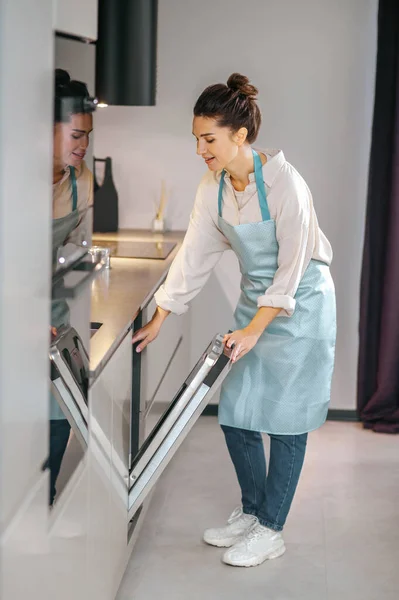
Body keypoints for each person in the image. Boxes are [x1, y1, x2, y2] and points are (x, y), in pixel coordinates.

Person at [132, 73, 336, 567]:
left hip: (301, 305)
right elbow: (194, 256)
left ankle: (272, 529)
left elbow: (290, 272)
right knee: (237, 414)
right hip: (254, 306)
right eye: (197, 139)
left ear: (239, 135)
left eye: (209, 138)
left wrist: (252, 330)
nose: (201, 149)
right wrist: (161, 314)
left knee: (286, 423)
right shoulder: (214, 188)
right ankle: (251, 511)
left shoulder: (288, 185)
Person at [47, 68, 94, 506]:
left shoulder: (79, 182)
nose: (83, 146)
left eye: (87, 136)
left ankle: (43, 496)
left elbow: (69, 252)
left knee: (58, 411)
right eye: (75, 135)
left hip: (49, 313)